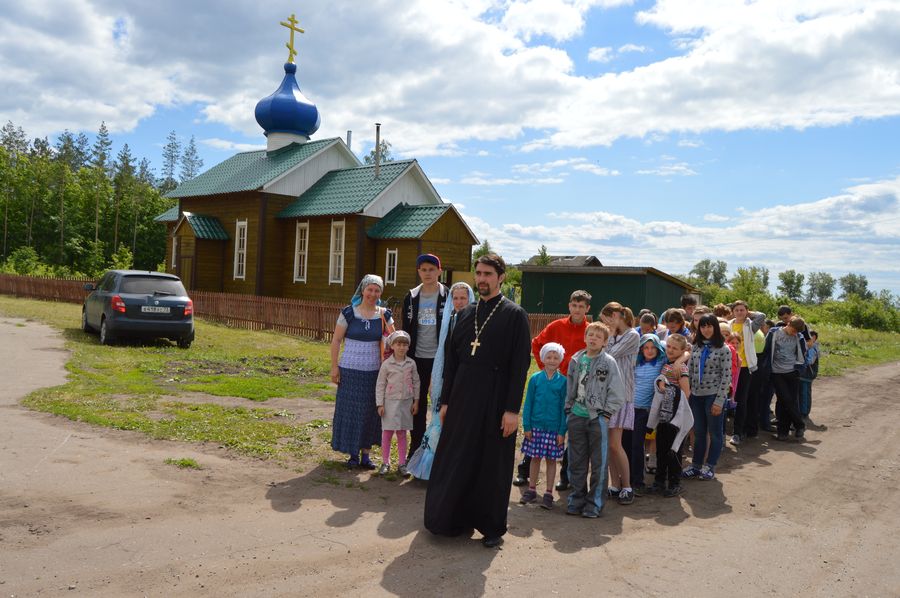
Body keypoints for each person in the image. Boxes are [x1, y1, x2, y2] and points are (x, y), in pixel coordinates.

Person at [424, 254, 531, 548]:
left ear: (501, 277)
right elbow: (452, 363)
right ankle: (452, 519)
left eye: (488, 274)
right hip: (462, 396)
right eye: (478, 273)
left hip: (496, 399)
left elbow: (519, 365)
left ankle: (491, 527)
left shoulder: (514, 315)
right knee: (457, 457)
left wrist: (512, 410)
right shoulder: (464, 314)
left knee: (491, 463)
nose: (482, 279)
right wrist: (445, 402)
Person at [515, 289, 591, 489]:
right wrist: (545, 370)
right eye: (574, 305)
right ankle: (525, 471)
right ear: (569, 306)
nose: (577, 309)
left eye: (581, 306)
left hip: (575, 388)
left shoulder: (590, 331)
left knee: (567, 429)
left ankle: (564, 476)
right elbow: (536, 343)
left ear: (587, 309)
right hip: (553, 382)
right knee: (540, 424)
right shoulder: (555, 326)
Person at [407, 282, 475, 480]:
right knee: (439, 419)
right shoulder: (449, 319)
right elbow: (443, 351)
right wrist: (436, 379)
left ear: (470, 299)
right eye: (456, 298)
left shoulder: (475, 322)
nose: (459, 302)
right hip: (446, 375)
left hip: (464, 377)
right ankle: (431, 470)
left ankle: (454, 471)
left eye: (463, 298)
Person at [330, 274, 394, 469]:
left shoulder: (384, 315)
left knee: (370, 412)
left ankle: (366, 454)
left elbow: (394, 339)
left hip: (374, 372)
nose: (373, 294)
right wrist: (334, 367)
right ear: (363, 290)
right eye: (370, 290)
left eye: (377, 290)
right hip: (349, 370)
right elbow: (336, 340)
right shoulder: (349, 313)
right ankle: (352, 454)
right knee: (350, 411)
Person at [564, 321, 627, 518]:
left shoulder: (608, 362)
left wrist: (606, 413)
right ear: (585, 337)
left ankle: (595, 503)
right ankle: (577, 499)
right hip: (576, 416)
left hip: (597, 418)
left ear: (605, 342)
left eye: (598, 337)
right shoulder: (576, 359)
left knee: (599, 462)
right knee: (576, 461)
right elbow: (570, 386)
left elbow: (616, 391)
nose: (593, 338)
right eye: (590, 335)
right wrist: (569, 409)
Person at [401, 254, 449, 462]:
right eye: (423, 269)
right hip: (417, 357)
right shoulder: (411, 297)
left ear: (439, 271)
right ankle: (415, 449)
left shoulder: (448, 295)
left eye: (431, 269)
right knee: (416, 405)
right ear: (418, 272)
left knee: (441, 404)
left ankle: (438, 451)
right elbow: (405, 327)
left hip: (441, 359)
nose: (427, 273)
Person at [682, 314, 732, 482]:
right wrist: (688, 394)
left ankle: (709, 466)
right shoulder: (696, 346)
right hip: (696, 396)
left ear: (715, 328)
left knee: (715, 433)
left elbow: (726, 378)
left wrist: (719, 401)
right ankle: (696, 466)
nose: (706, 329)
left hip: (713, 396)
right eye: (703, 326)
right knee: (699, 432)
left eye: (709, 326)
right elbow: (690, 372)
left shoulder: (724, 349)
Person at [519, 342, 568, 510]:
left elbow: (564, 408)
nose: (552, 360)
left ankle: (548, 493)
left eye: (556, 357)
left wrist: (562, 431)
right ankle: (531, 490)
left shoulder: (563, 382)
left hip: (554, 429)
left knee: (551, 461)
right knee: (534, 458)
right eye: (549, 356)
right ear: (543, 358)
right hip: (535, 427)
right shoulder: (535, 379)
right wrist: (527, 426)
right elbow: (528, 403)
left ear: (560, 360)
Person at [601, 302, 640, 505]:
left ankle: (627, 486)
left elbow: (609, 356)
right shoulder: (614, 336)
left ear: (616, 315)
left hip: (622, 397)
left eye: (608, 318)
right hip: (607, 397)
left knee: (616, 444)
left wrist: (609, 332)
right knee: (609, 446)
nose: (605, 323)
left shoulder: (632, 335)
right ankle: (614, 484)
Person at [648, 333, 693, 497]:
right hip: (663, 415)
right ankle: (659, 481)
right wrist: (661, 382)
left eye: (675, 348)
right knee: (661, 448)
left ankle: (675, 482)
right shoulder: (667, 364)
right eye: (669, 346)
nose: (671, 350)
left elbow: (686, 393)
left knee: (674, 451)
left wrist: (669, 391)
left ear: (682, 351)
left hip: (675, 417)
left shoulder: (681, 368)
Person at [375, 330, 420, 476]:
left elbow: (416, 383)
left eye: (404, 344)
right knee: (387, 433)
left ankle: (402, 463)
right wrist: (380, 404)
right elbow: (380, 384)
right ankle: (385, 462)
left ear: (408, 347)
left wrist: (416, 401)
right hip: (389, 403)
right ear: (392, 346)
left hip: (406, 404)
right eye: (398, 344)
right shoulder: (386, 364)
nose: (401, 347)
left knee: (402, 433)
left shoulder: (411, 364)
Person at [631, 333, 667, 496]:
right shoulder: (636, 362)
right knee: (627, 444)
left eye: (653, 347)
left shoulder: (661, 362)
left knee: (638, 445)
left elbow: (683, 351)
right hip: (629, 407)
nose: (649, 350)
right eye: (646, 347)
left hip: (645, 410)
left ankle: (638, 481)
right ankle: (627, 478)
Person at [767, 316, 808, 441]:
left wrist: (799, 368)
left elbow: (803, 352)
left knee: (786, 401)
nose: (794, 333)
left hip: (793, 372)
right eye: (793, 330)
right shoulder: (774, 333)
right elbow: (767, 349)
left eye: (797, 332)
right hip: (777, 372)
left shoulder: (799, 337)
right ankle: (799, 424)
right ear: (788, 324)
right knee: (786, 399)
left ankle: (782, 432)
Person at [799, 331, 820, 419]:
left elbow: (810, 361)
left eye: (812, 337)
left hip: (807, 374)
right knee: (805, 392)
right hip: (807, 374)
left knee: (804, 393)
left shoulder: (812, 348)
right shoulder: (814, 347)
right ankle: (804, 411)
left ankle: (804, 412)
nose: (810, 339)